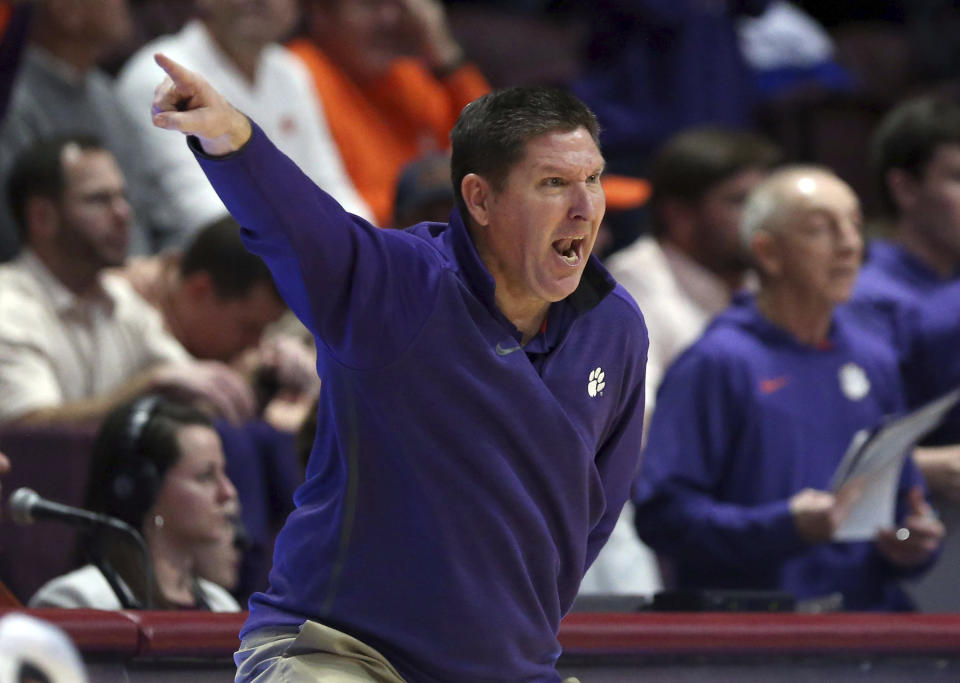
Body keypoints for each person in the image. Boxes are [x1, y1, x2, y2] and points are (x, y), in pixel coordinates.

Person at [151, 53, 647, 681]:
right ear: (480, 199)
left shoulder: (616, 324)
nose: (586, 208)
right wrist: (231, 139)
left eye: (594, 179)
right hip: (340, 651)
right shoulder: (402, 286)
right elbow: (300, 228)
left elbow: (590, 515)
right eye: (553, 183)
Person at [634, 166, 944, 611]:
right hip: (757, 635)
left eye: (855, 224)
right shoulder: (717, 362)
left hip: (867, 627)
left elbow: (901, 506)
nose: (849, 244)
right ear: (768, 252)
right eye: (821, 228)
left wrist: (912, 542)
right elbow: (663, 517)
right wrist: (785, 526)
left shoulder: (873, 357)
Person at [582, 126, 781, 597]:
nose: (760, 220)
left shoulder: (755, 284)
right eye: (739, 202)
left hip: (746, 520)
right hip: (657, 535)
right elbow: (632, 433)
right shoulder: (635, 286)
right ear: (680, 214)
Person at [0, 134, 255, 425]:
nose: (123, 213)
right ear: (42, 217)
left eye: (122, 197)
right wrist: (146, 388)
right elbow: (28, 431)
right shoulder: (8, 307)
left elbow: (195, 389)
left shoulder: (121, 298)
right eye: (99, 199)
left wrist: (262, 374)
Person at [116, 0, 371, 250]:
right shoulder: (162, 73)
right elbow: (201, 212)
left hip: (305, 253)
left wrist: (366, 244)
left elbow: (330, 185)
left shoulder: (291, 71)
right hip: (213, 263)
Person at [29, 395, 241, 611]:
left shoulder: (222, 606)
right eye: (205, 476)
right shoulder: (77, 601)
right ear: (144, 490)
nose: (228, 492)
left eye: (223, 473)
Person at [289, 0, 490, 226]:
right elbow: (327, 213)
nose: (388, 19)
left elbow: (494, 151)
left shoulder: (406, 74)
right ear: (321, 13)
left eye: (398, 4)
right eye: (370, 5)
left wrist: (446, 56)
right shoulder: (294, 75)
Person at [849, 95, 960, 500]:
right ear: (906, 188)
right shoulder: (866, 298)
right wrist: (923, 468)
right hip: (909, 530)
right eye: (958, 177)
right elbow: (841, 442)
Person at [0, 0, 159, 260]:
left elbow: (145, 206)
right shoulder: (11, 103)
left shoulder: (107, 95)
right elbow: (13, 230)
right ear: (66, 9)